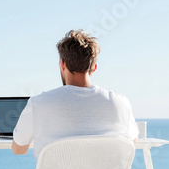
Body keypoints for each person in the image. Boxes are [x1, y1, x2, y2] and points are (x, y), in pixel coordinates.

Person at [11, 29, 139, 159]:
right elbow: (132, 141)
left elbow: (18, 149)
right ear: (94, 68)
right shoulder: (120, 102)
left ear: (63, 64)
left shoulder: (39, 103)